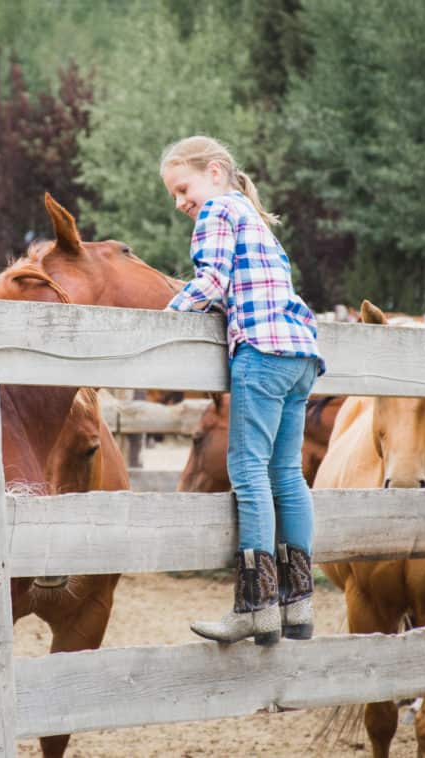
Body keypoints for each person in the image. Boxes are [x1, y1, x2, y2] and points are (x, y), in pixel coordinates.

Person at [161, 135, 325, 645]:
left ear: (213, 171)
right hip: (300, 357)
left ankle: (255, 607)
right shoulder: (256, 221)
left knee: (249, 473)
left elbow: (210, 281)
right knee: (286, 474)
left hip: (261, 352)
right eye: (174, 196)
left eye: (182, 187)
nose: (181, 202)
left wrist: (161, 320)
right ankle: (296, 605)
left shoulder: (217, 212)